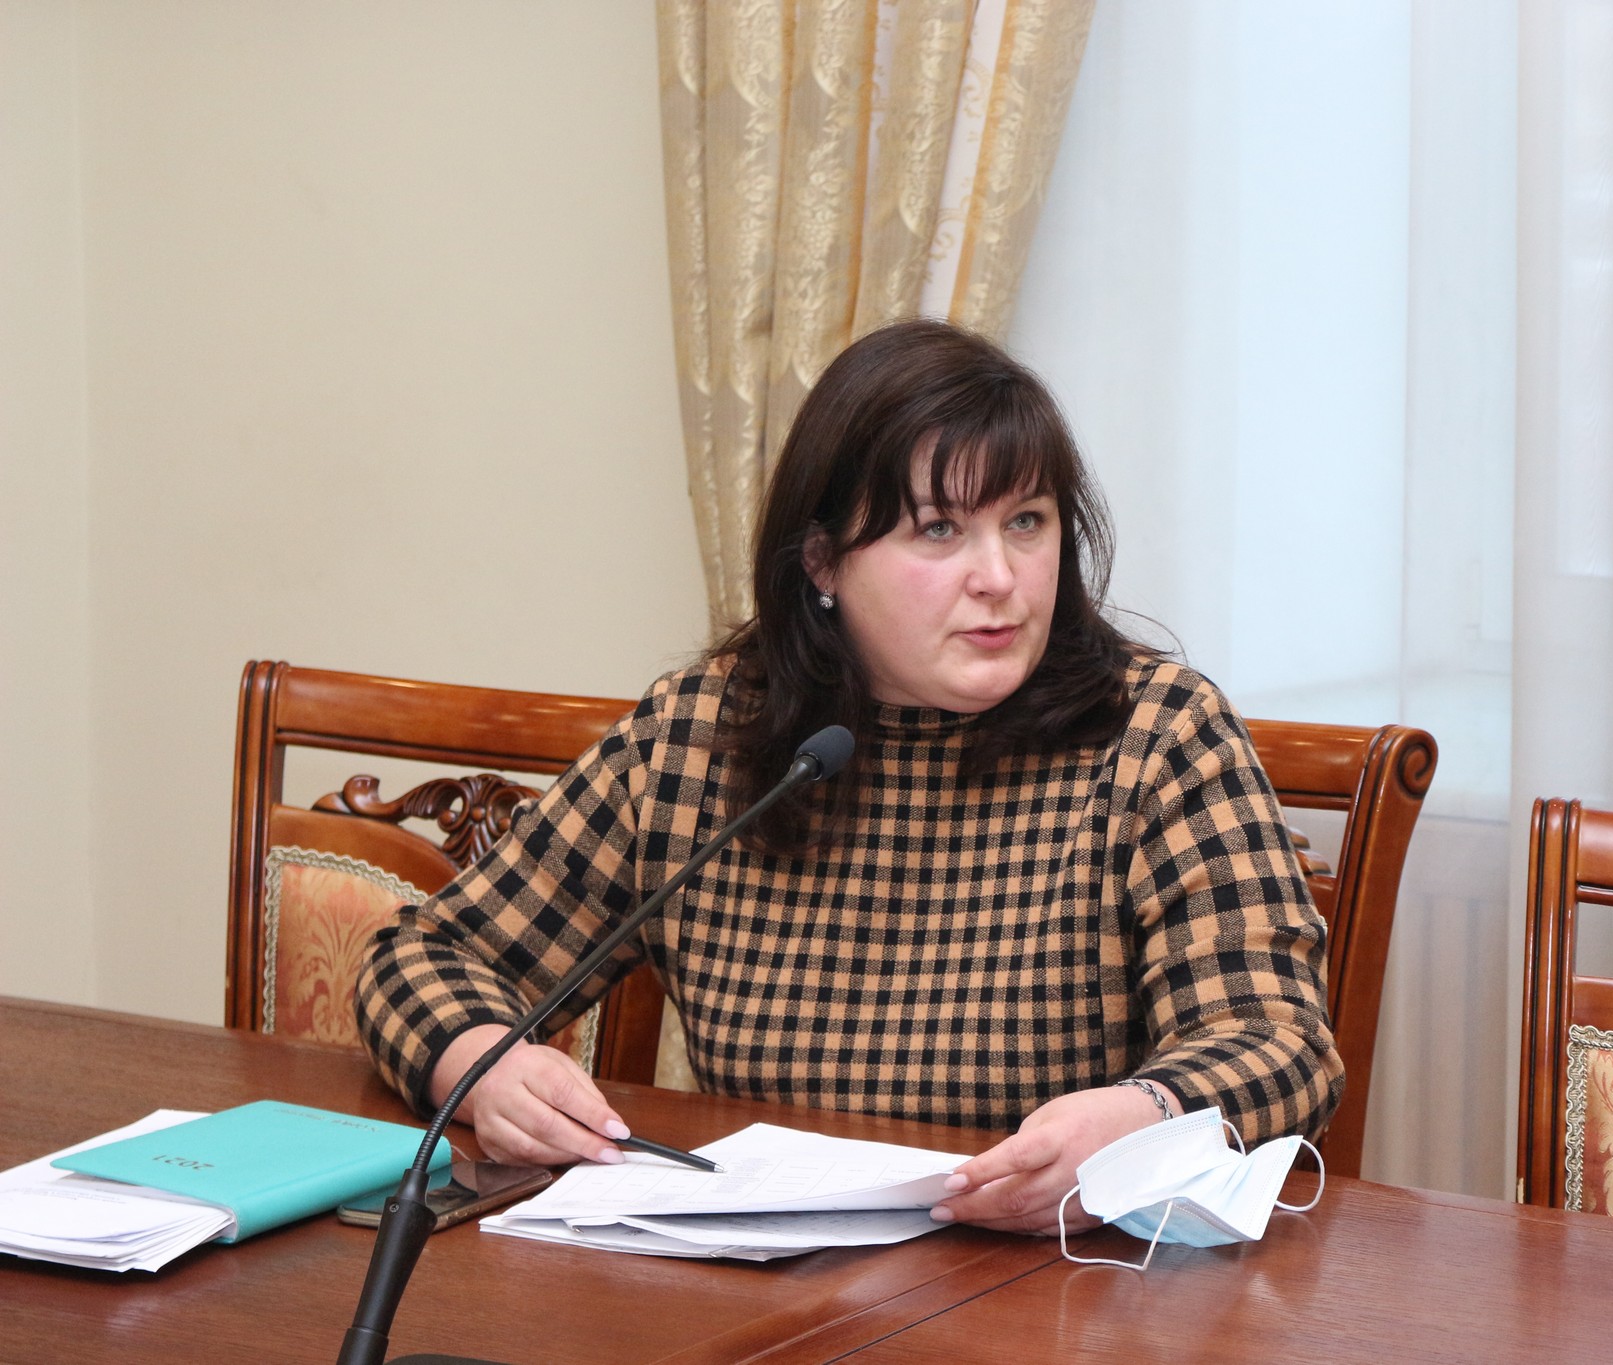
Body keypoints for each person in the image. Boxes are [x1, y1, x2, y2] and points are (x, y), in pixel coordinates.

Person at [355, 319, 1343, 1234]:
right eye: (938, 529)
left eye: (1027, 522)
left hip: (1036, 1284)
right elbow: (419, 955)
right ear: (824, 562)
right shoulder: (702, 738)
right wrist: (479, 1066)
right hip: (752, 1276)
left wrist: (1147, 1114)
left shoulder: (1157, 735)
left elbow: (1277, 1041)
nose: (1000, 577)